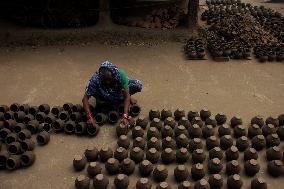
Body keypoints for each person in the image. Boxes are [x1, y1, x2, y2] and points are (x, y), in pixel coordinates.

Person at [82, 61, 142, 128]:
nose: (107, 82)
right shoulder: (95, 79)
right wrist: (89, 117)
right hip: (104, 94)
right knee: (101, 107)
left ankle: (122, 99)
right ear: (100, 76)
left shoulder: (120, 74)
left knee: (137, 85)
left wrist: (125, 115)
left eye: (109, 79)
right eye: (104, 80)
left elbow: (126, 96)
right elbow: (85, 99)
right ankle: (107, 102)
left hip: (117, 90)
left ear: (113, 74)